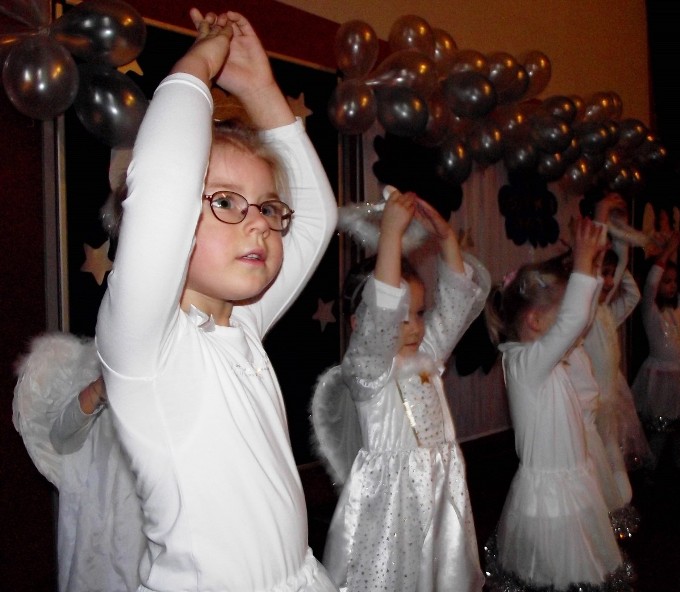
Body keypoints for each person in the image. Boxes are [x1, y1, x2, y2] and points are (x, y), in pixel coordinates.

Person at [94, 9, 337, 590]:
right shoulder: (148, 347)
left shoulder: (241, 325)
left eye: (268, 208)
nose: (259, 226)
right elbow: (165, 181)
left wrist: (260, 89)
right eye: (225, 202)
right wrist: (199, 63)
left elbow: (318, 216)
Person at [311, 189, 489, 592]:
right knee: (390, 575)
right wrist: (390, 236)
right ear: (360, 325)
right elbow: (382, 310)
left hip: (439, 488)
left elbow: (457, 302)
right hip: (390, 503)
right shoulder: (368, 370)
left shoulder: (426, 356)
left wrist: (445, 240)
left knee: (435, 572)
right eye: (402, 316)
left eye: (419, 314)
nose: (413, 326)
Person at [483, 218, 632, 591]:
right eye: (560, 311)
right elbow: (574, 321)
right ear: (534, 320)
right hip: (550, 499)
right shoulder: (523, 363)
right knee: (561, 577)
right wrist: (582, 262)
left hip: (572, 484)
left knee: (578, 573)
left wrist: (592, 268)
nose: (572, 322)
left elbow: (578, 325)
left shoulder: (541, 359)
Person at [13, 332, 145, 592]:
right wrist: (98, 390)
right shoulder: (91, 366)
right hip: (99, 533)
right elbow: (61, 438)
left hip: (151, 530)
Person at [631, 232, 680, 474]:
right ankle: (651, 470)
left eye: (674, 281)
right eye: (667, 281)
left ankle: (678, 467)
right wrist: (666, 252)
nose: (673, 286)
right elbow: (651, 282)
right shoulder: (649, 309)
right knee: (660, 430)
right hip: (660, 375)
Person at [584, 249, 653, 480]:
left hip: (610, 401)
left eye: (613, 275)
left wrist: (621, 257)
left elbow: (633, 295)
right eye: (605, 273)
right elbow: (589, 293)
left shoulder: (607, 313)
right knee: (597, 466)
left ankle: (617, 503)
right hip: (592, 407)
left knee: (612, 461)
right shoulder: (586, 315)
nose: (611, 281)